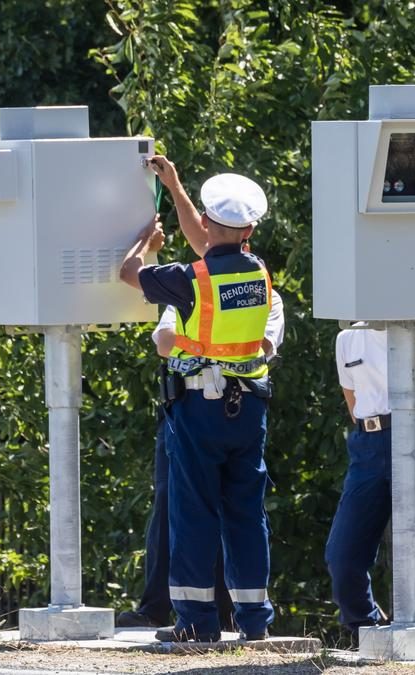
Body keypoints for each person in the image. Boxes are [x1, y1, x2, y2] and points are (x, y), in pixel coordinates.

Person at [119, 156, 275, 643]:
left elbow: (129, 272)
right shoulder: (258, 273)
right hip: (247, 407)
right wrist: (176, 186)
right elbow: (210, 244)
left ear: (209, 225)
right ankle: (254, 623)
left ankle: (195, 622)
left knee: (193, 512)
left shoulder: (189, 280)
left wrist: (148, 238)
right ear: (249, 228)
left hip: (198, 407)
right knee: (246, 514)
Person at [117, 291, 285, 630]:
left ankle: (226, 616)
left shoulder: (263, 292)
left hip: (236, 405)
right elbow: (164, 342)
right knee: (171, 508)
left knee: (232, 511)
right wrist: (224, 344)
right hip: (185, 406)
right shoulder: (187, 286)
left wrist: (198, 344)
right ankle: (160, 608)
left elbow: (265, 344)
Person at [325, 324, 415, 646]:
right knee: (342, 554)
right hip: (368, 447)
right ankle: (364, 632)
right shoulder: (346, 339)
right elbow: (353, 403)